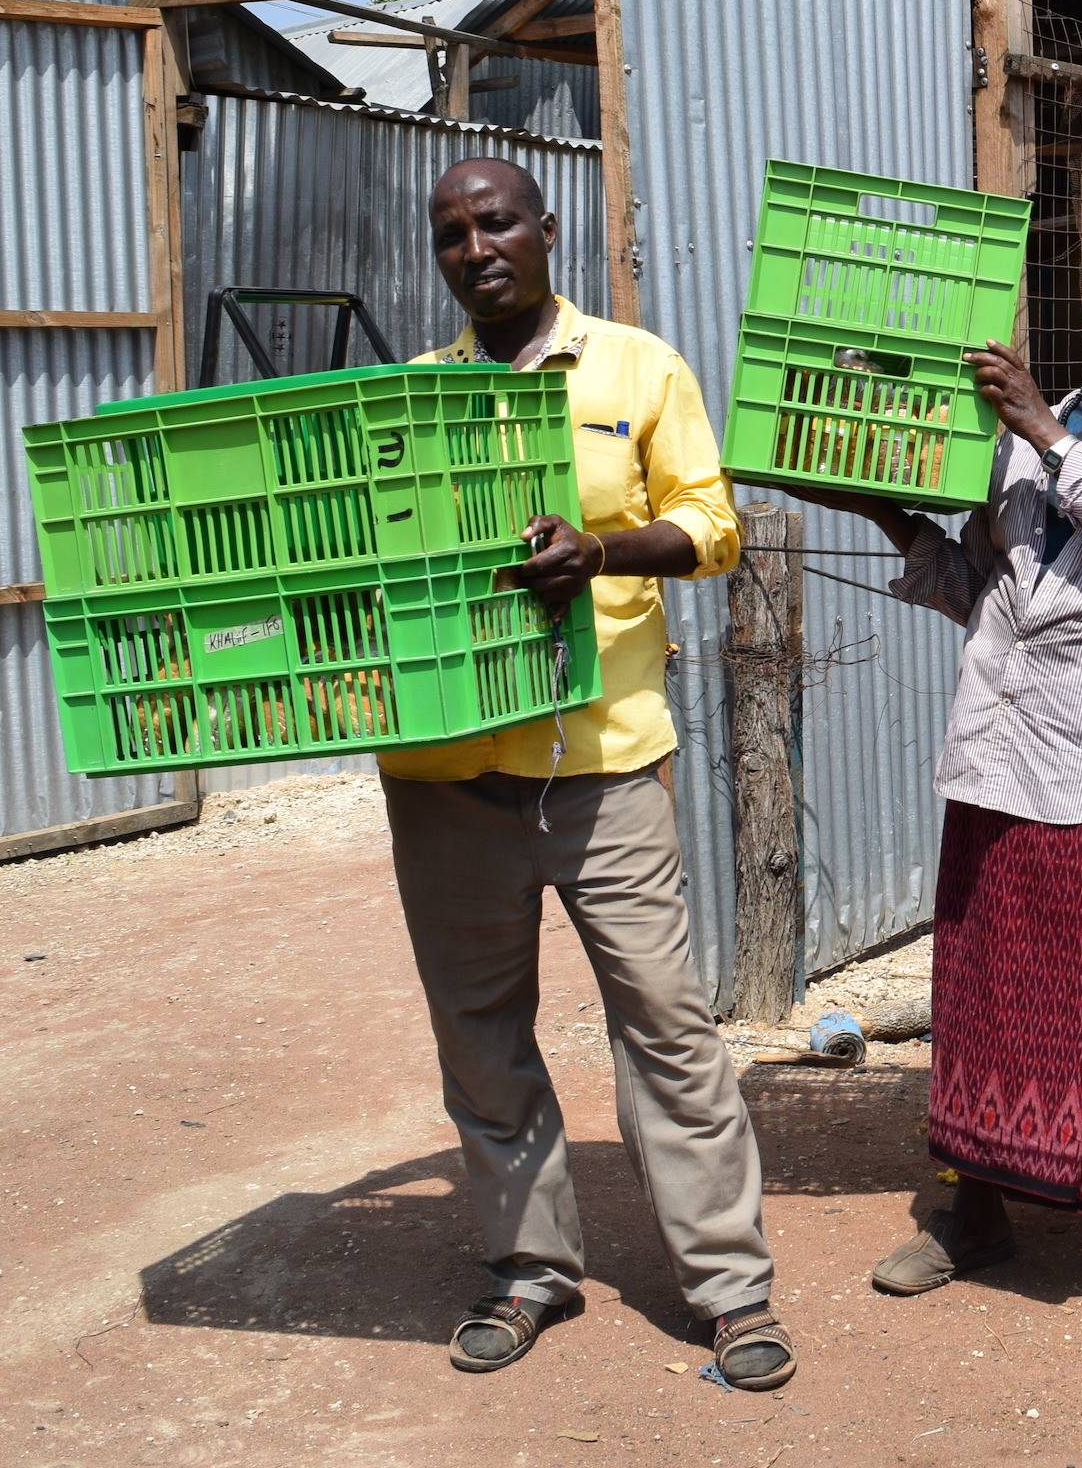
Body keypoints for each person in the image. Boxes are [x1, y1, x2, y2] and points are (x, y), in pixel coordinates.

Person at [376, 158, 795, 1388]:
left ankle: (731, 1288)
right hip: (447, 772)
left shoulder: (635, 366)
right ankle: (530, 1270)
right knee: (482, 1032)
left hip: (604, 761)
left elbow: (711, 525)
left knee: (666, 1028)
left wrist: (603, 548)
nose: (475, 246)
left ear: (546, 229)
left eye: (495, 220)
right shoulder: (413, 393)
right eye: (450, 230)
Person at [809, 245, 1082, 1320]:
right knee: (988, 999)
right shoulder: (1015, 440)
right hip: (999, 762)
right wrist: (880, 514)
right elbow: (983, 590)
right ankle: (977, 1211)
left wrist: (1047, 438)